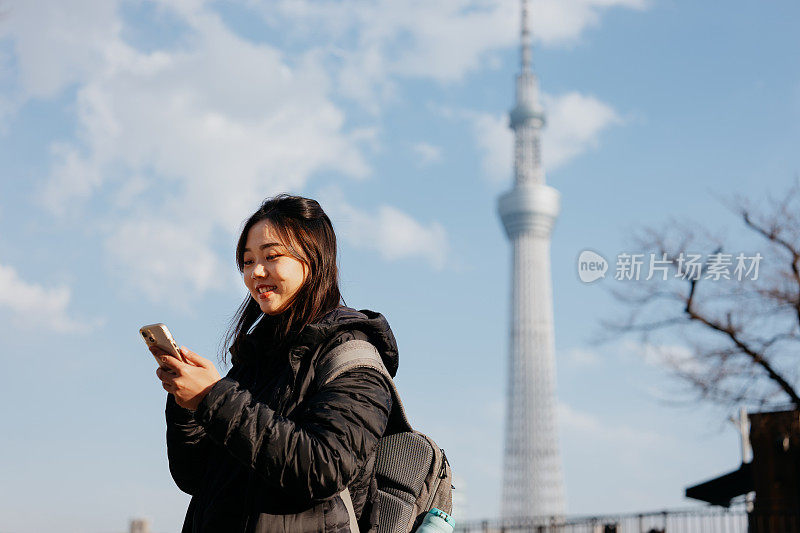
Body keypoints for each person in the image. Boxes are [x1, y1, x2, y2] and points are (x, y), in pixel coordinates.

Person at [153, 194, 397, 532]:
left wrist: (214, 396)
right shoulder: (256, 359)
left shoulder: (351, 355)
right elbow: (196, 477)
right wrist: (189, 406)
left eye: (271, 256)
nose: (256, 271)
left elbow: (323, 467)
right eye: (247, 260)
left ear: (314, 259)